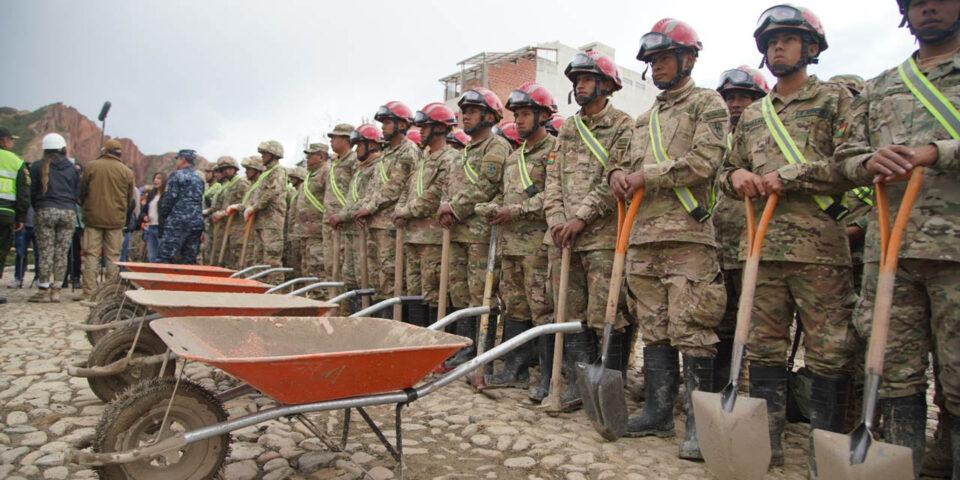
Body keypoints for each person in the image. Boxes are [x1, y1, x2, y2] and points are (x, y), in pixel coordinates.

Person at [719, 5, 856, 473]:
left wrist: (792, 175)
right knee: (763, 348)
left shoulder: (834, 100)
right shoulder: (754, 114)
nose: (778, 47)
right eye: (772, 41)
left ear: (811, 48)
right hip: (761, 249)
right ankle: (767, 442)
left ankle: (826, 451)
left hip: (819, 251)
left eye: (789, 39)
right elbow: (725, 171)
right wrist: (736, 176)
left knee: (830, 350)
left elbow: (852, 164)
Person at [836, 0, 960, 476]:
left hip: (954, 251)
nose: (928, 6)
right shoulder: (881, 86)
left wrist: (936, 152)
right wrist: (866, 163)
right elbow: (845, 156)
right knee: (892, 368)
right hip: (890, 251)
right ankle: (905, 462)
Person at [607, 19, 728, 460]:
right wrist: (616, 174)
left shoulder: (707, 104)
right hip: (642, 238)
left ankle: (697, 424)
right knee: (655, 330)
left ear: (688, 59)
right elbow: (621, 163)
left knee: (693, 330)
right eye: (652, 60)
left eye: (663, 58)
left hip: (687, 237)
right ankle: (657, 412)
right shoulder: (644, 120)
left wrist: (646, 176)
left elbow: (705, 161)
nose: (655, 66)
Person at [542, 50, 633, 410]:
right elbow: (552, 178)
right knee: (568, 312)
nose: (579, 85)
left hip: (602, 238)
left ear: (606, 85)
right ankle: (579, 384)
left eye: (586, 79)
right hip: (563, 238)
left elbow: (615, 180)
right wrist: (556, 218)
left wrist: (580, 217)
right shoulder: (568, 129)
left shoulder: (623, 126)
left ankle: (609, 388)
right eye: (576, 80)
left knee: (606, 314)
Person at [475, 82, 557, 398]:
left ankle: (547, 375)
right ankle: (516, 369)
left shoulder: (554, 150)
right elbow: (503, 194)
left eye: (525, 114)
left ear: (543, 116)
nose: (518, 120)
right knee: (515, 307)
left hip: (537, 247)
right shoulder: (514, 157)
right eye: (516, 114)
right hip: (509, 246)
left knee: (541, 310)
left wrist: (518, 210)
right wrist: (491, 207)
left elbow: (553, 195)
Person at [437, 87, 511, 369]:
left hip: (481, 234)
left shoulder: (496, 146)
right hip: (457, 232)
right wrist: (446, 207)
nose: (464, 116)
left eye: (472, 111)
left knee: (481, 293)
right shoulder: (463, 152)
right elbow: (449, 187)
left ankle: (481, 350)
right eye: (463, 111)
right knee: (460, 292)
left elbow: (486, 187)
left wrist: (453, 208)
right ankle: (464, 345)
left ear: (489, 116)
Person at [713, 65, 770, 387]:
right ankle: (718, 386)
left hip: (753, 241)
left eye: (744, 98)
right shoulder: (718, 138)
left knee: (754, 321)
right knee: (719, 319)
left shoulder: (766, 137)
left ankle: (745, 384)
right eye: (730, 98)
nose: (735, 104)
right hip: (719, 244)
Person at [395, 102, 459, 326]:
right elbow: (408, 188)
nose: (420, 131)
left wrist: (404, 211)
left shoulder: (450, 158)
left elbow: (433, 197)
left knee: (433, 293)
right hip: (413, 236)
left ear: (440, 128)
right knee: (414, 292)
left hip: (433, 239)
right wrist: (400, 207)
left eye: (425, 127)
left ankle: (434, 339)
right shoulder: (423, 158)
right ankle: (416, 336)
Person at [354, 102, 419, 308]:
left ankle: (392, 320)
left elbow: (395, 187)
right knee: (376, 278)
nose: (383, 127)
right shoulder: (386, 153)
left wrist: (368, 208)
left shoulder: (408, 151)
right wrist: (365, 208)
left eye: (387, 122)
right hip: (375, 223)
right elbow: (373, 186)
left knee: (391, 278)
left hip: (391, 226)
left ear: (402, 125)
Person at [77, 138, 135, 301]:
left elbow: (82, 191)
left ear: (105, 151)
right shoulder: (127, 172)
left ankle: (89, 292)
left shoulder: (91, 166)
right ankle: (110, 294)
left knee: (91, 255)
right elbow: (130, 198)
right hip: (116, 220)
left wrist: (86, 207)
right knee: (113, 257)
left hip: (93, 218)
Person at [336, 124, 383, 311]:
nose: (356, 150)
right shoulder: (361, 169)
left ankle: (367, 318)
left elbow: (367, 199)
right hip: (351, 230)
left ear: (371, 145)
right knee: (351, 277)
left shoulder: (376, 167)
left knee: (365, 278)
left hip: (363, 232)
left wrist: (342, 215)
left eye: (359, 145)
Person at [27, 133, 79, 303]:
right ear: (63, 148)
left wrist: (38, 207)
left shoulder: (37, 166)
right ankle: (56, 290)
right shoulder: (72, 168)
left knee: (46, 251)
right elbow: (76, 192)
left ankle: (43, 290)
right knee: (62, 253)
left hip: (45, 210)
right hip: (68, 212)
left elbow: (32, 192)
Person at [228, 142, 287, 281]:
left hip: (272, 222)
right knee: (258, 259)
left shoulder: (278, 171)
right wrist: (244, 207)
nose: (262, 156)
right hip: (261, 221)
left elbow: (271, 193)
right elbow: (256, 197)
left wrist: (254, 208)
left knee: (272, 258)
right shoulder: (266, 174)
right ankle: (260, 286)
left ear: (273, 155)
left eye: (265, 154)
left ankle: (275, 287)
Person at [323, 124, 358, 295]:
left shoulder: (354, 161)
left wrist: (344, 215)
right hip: (329, 221)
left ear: (346, 139)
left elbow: (356, 191)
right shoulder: (335, 163)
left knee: (344, 267)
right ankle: (332, 300)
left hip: (344, 222)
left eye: (334, 137)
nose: (331, 141)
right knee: (330, 265)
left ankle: (342, 305)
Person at [156, 149, 205, 264]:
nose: (176, 161)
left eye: (177, 159)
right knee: (189, 259)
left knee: (165, 256)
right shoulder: (199, 178)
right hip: (196, 223)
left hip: (177, 221)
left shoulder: (177, 175)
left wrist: (163, 216)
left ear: (183, 160)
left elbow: (169, 199)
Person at [0, 126, 30, 304]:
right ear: (3, 141)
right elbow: (23, 194)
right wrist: (21, 218)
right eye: (10, 139)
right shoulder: (16, 162)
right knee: (1, 251)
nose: (12, 142)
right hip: (6, 214)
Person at [211, 157, 251, 269]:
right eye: (222, 169)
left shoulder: (242, 183)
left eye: (227, 168)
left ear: (234, 169)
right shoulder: (228, 185)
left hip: (238, 226)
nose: (225, 172)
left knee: (235, 258)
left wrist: (224, 213)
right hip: (226, 226)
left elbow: (245, 203)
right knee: (225, 258)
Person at [283, 166, 307, 277]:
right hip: (292, 233)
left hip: (299, 232)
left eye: (294, 178)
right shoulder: (295, 194)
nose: (291, 180)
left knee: (300, 263)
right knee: (294, 263)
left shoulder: (300, 193)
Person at [140, 172, 166, 262]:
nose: (155, 180)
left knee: (162, 256)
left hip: (161, 229)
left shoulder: (167, 195)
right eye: (155, 178)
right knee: (151, 256)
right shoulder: (151, 194)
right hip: (150, 228)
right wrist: (144, 217)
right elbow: (143, 211)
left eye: (158, 178)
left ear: (164, 181)